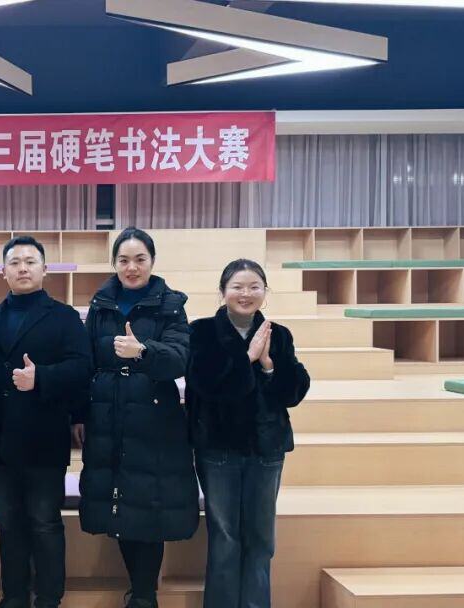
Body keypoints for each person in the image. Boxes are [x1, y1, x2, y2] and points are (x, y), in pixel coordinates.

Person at [0, 235, 93, 608]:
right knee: (7, 523)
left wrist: (43, 378)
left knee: (44, 521)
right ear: (3, 272)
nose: (23, 268)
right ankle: (14, 596)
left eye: (31, 261)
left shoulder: (65, 317)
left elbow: (83, 368)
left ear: (44, 269)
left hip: (43, 437)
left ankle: (49, 597)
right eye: (15, 262)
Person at [74, 228, 199, 608]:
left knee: (150, 502)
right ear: (114, 263)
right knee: (120, 501)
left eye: (140, 259)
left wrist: (143, 351)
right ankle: (138, 588)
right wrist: (79, 414)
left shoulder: (171, 305)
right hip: (107, 416)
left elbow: (180, 359)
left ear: (152, 262)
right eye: (124, 260)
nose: (132, 267)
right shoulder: (101, 305)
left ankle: (145, 594)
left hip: (153, 420)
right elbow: (85, 362)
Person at [186, 259, 311, 608]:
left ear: (264, 292)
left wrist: (269, 365)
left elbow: (294, 392)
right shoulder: (201, 332)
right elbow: (207, 386)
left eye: (254, 286)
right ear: (223, 291)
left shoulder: (279, 334)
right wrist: (248, 358)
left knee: (261, 539)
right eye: (237, 287)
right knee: (225, 537)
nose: (246, 294)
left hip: (266, 449)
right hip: (218, 449)